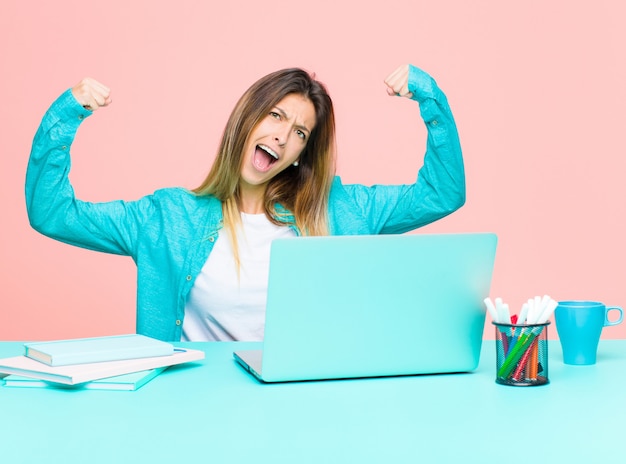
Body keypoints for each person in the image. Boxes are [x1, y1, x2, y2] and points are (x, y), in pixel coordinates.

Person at [26, 64, 466, 342]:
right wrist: (67, 114)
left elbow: (440, 194)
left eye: (300, 132)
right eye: (275, 116)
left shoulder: (340, 210)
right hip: (193, 409)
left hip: (302, 410)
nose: (282, 135)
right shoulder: (167, 217)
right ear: (247, 119)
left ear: (302, 154)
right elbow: (53, 214)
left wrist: (431, 99)